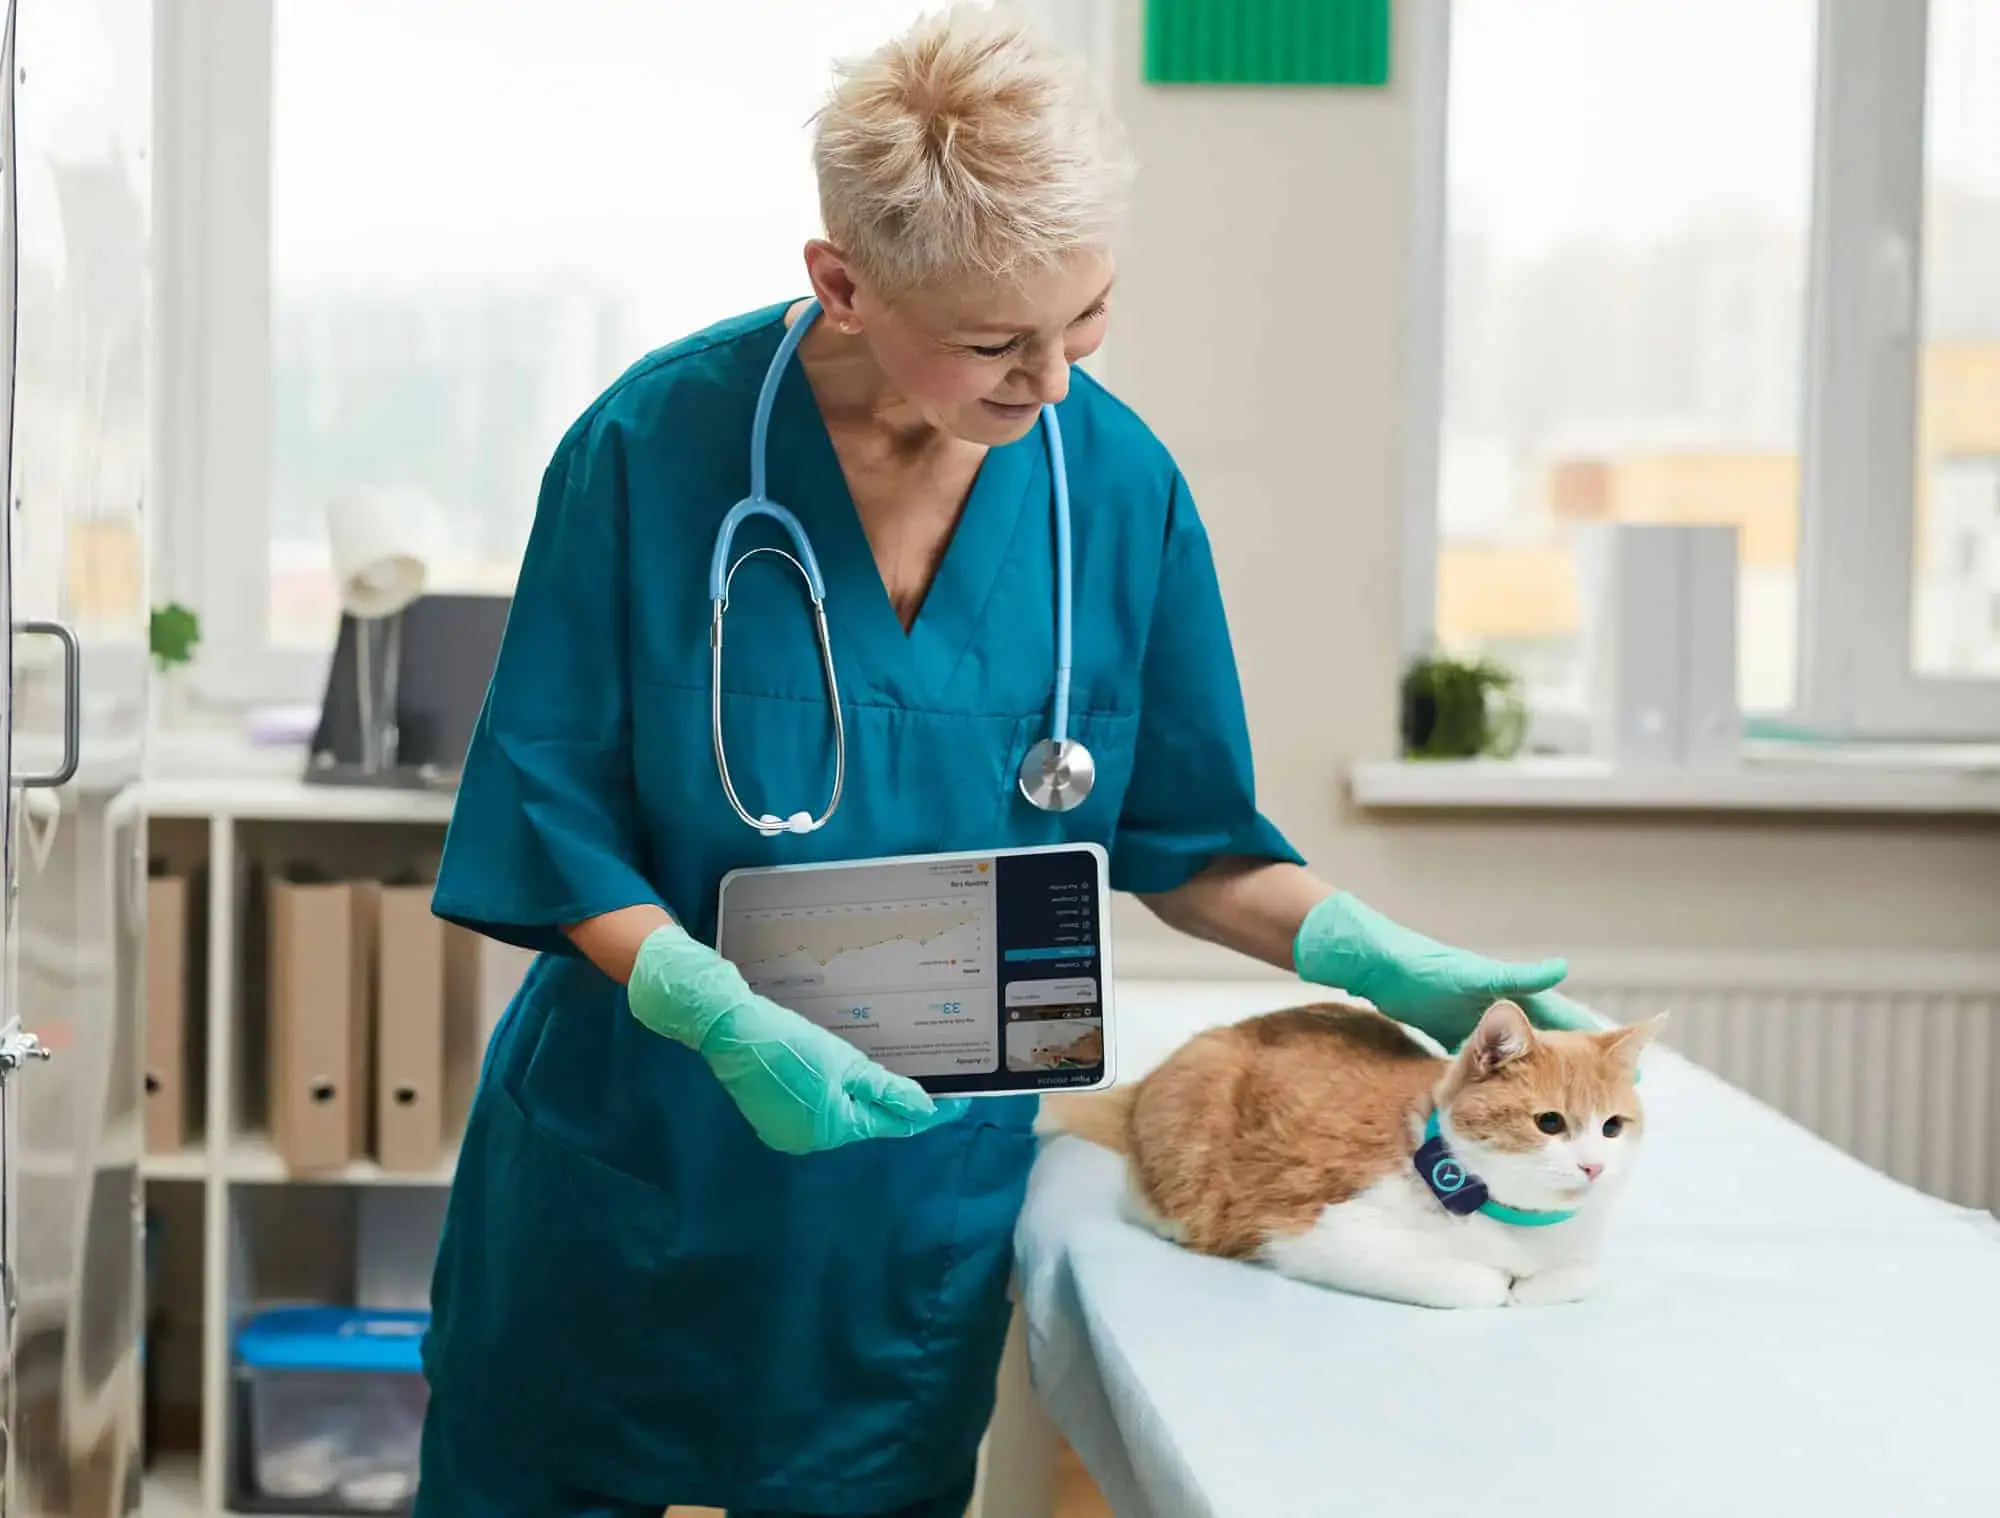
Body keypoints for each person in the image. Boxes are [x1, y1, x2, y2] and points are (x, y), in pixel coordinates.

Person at [412, 7, 1595, 1515]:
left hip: (902, 1194)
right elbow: (549, 813)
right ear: (841, 283)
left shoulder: (1114, 485)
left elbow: (1186, 834)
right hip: (636, 1160)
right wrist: (712, 1009)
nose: (1050, 380)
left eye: (1086, 318)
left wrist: (1378, 955)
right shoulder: (651, 449)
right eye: (992, 343)